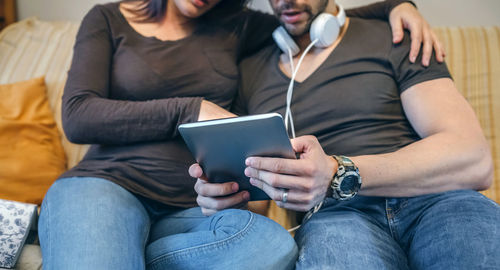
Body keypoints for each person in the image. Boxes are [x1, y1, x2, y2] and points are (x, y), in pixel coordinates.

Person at [38, 0, 446, 269]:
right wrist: (188, 109)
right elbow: (78, 115)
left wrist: (396, 5)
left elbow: (307, 13)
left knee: (273, 246)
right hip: (105, 185)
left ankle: (118, 251)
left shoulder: (238, 27)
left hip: (193, 207)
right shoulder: (108, 18)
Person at [190, 0, 500, 269]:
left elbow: (474, 159)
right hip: (336, 217)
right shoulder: (250, 71)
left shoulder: (392, 36)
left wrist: (338, 171)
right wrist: (229, 197)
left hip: (437, 199)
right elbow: (259, 197)